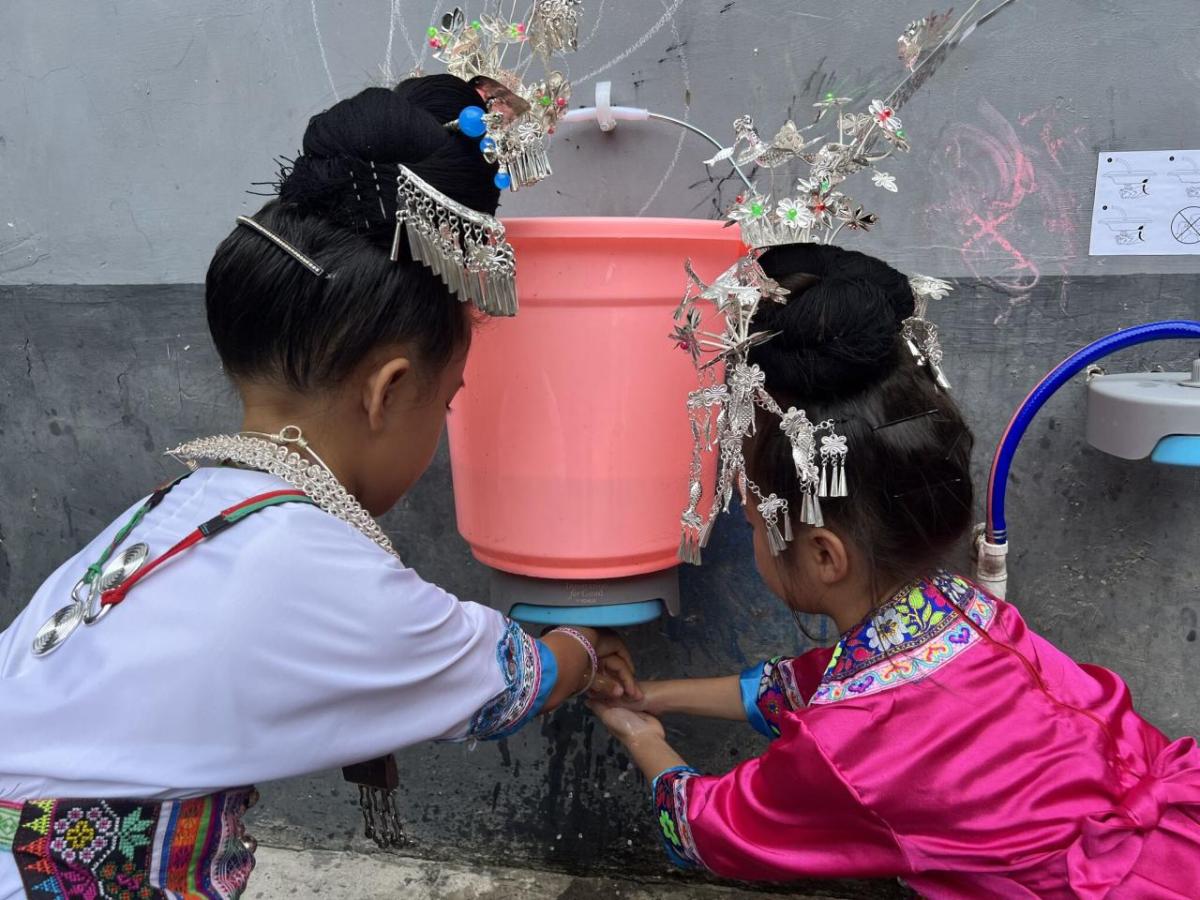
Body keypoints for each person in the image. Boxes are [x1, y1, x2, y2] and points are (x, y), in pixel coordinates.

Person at [0, 76, 637, 900]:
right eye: (447, 403)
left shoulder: (168, 509)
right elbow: (507, 684)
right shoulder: (315, 564)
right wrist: (586, 652)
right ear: (388, 391)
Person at [591, 243, 1200, 899]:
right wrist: (649, 695)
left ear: (824, 554)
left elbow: (704, 831)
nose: (751, 526)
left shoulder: (850, 742)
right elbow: (800, 689)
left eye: (753, 513)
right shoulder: (960, 615)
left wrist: (636, 732)